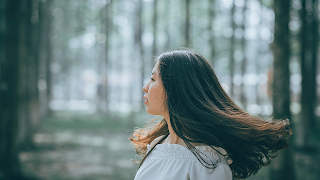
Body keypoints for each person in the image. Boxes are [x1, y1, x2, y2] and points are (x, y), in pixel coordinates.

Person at [130, 49, 291, 180]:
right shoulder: (157, 145)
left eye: (153, 79)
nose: (145, 87)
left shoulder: (207, 164)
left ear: (177, 88)